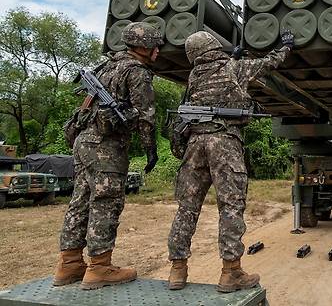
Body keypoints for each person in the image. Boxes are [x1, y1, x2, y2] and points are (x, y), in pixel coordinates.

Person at [167, 30, 294, 292]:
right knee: (231, 208)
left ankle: (177, 271)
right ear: (214, 47)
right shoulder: (235, 68)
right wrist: (285, 46)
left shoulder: (194, 76)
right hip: (224, 142)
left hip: (195, 145)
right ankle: (231, 272)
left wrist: (233, 58)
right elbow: (268, 64)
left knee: (187, 208)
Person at [54, 22, 162, 290]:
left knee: (80, 200)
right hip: (106, 148)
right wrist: (151, 149)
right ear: (143, 47)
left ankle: (69, 264)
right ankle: (100, 267)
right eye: (154, 45)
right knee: (105, 202)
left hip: (83, 142)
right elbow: (146, 116)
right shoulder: (137, 71)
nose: (158, 50)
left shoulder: (106, 67)